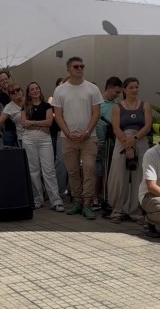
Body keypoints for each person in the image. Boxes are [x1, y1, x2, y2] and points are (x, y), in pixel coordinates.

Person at [52, 57, 103, 220]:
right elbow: (58, 115)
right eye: (76, 66)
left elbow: (96, 113)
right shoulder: (60, 90)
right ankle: (77, 201)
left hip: (89, 138)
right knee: (73, 171)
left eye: (82, 66)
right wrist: (67, 133)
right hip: (68, 138)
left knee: (89, 168)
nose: (79, 69)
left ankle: (87, 202)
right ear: (68, 69)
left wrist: (87, 132)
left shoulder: (92, 88)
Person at [106, 77, 151, 223]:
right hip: (122, 141)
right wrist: (127, 145)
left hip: (140, 140)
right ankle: (117, 211)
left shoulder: (145, 106)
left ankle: (136, 211)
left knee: (139, 177)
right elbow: (115, 127)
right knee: (119, 177)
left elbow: (147, 126)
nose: (134, 90)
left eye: (136, 87)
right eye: (131, 87)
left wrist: (135, 139)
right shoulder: (117, 107)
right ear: (124, 90)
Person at [21, 82, 64, 212]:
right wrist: (39, 124)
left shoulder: (47, 106)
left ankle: (56, 200)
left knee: (49, 169)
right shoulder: (25, 106)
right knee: (33, 170)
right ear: (28, 93)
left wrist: (32, 122)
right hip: (29, 139)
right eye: (32, 89)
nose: (35, 91)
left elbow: (49, 122)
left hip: (45, 139)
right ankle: (37, 199)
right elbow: (23, 123)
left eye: (37, 88)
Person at [94, 76, 123, 210]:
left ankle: (107, 198)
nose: (118, 95)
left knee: (109, 172)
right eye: (116, 92)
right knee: (98, 172)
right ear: (109, 88)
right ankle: (95, 198)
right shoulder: (97, 103)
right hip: (97, 143)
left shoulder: (117, 106)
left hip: (112, 143)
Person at [0, 70, 18, 146]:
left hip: (19, 127)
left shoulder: (17, 92)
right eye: (2, 80)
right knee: (8, 150)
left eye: (6, 79)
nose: (5, 81)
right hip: (7, 129)